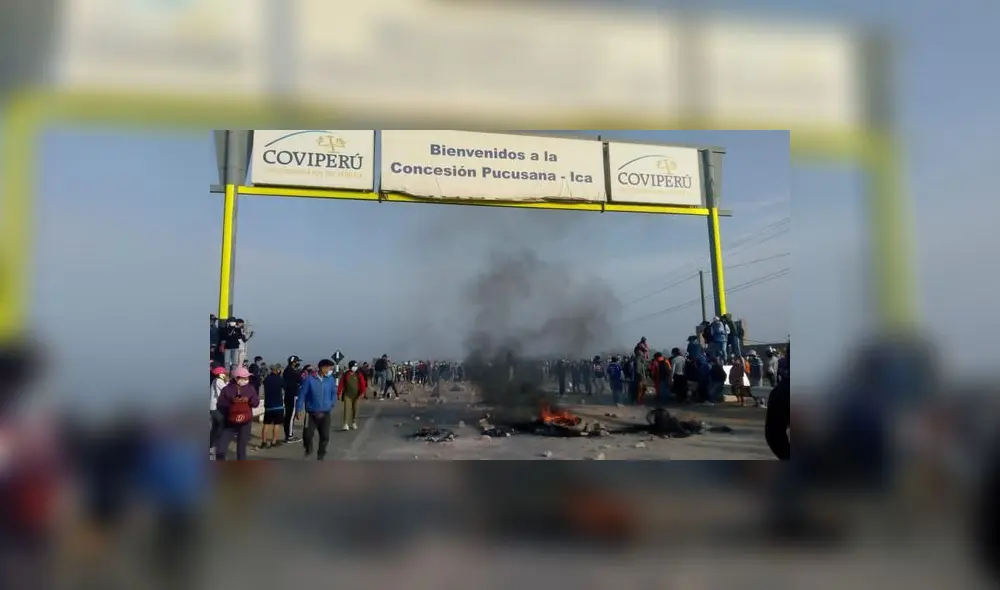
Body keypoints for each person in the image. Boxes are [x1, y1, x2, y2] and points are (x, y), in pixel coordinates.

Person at [214, 367, 259, 461]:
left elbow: (255, 403)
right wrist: (234, 402)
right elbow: (220, 404)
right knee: (228, 447)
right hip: (233, 421)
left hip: (239, 420)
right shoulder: (229, 389)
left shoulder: (248, 388)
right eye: (245, 378)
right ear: (237, 378)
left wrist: (246, 400)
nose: (247, 380)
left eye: (247, 378)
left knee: (238, 446)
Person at [296, 358, 337, 460]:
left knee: (325, 437)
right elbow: (302, 395)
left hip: (325, 413)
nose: (328, 370)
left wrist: (331, 403)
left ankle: (321, 455)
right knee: (307, 435)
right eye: (327, 367)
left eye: (329, 368)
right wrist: (298, 409)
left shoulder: (330, 379)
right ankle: (308, 448)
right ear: (321, 368)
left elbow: (333, 393)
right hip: (311, 413)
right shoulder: (309, 379)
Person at [337, 360, 368, 430]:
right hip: (347, 395)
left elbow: (362, 384)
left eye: (356, 366)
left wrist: (363, 393)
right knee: (347, 409)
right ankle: (345, 423)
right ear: (350, 367)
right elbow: (341, 384)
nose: (355, 367)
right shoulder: (345, 374)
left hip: (357, 395)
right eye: (354, 366)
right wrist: (339, 393)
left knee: (355, 409)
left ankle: (353, 422)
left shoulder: (359, 374)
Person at [260, 364, 285, 449]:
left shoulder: (266, 379)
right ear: (277, 370)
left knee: (266, 424)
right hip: (278, 405)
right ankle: (273, 442)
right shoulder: (280, 379)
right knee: (276, 424)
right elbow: (284, 387)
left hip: (268, 405)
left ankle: (263, 442)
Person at [282, 355, 303, 443]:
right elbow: (300, 379)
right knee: (290, 416)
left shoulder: (287, 371)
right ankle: (289, 436)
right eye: (297, 362)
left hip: (288, 395)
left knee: (288, 416)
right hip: (292, 395)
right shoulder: (292, 372)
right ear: (293, 362)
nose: (298, 363)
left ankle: (289, 434)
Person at [209, 366, 228, 457]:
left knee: (214, 428)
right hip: (217, 407)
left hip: (213, 407)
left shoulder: (214, 381)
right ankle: (217, 446)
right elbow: (226, 390)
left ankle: (211, 446)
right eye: (224, 373)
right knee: (221, 426)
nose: (225, 375)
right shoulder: (219, 381)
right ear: (220, 373)